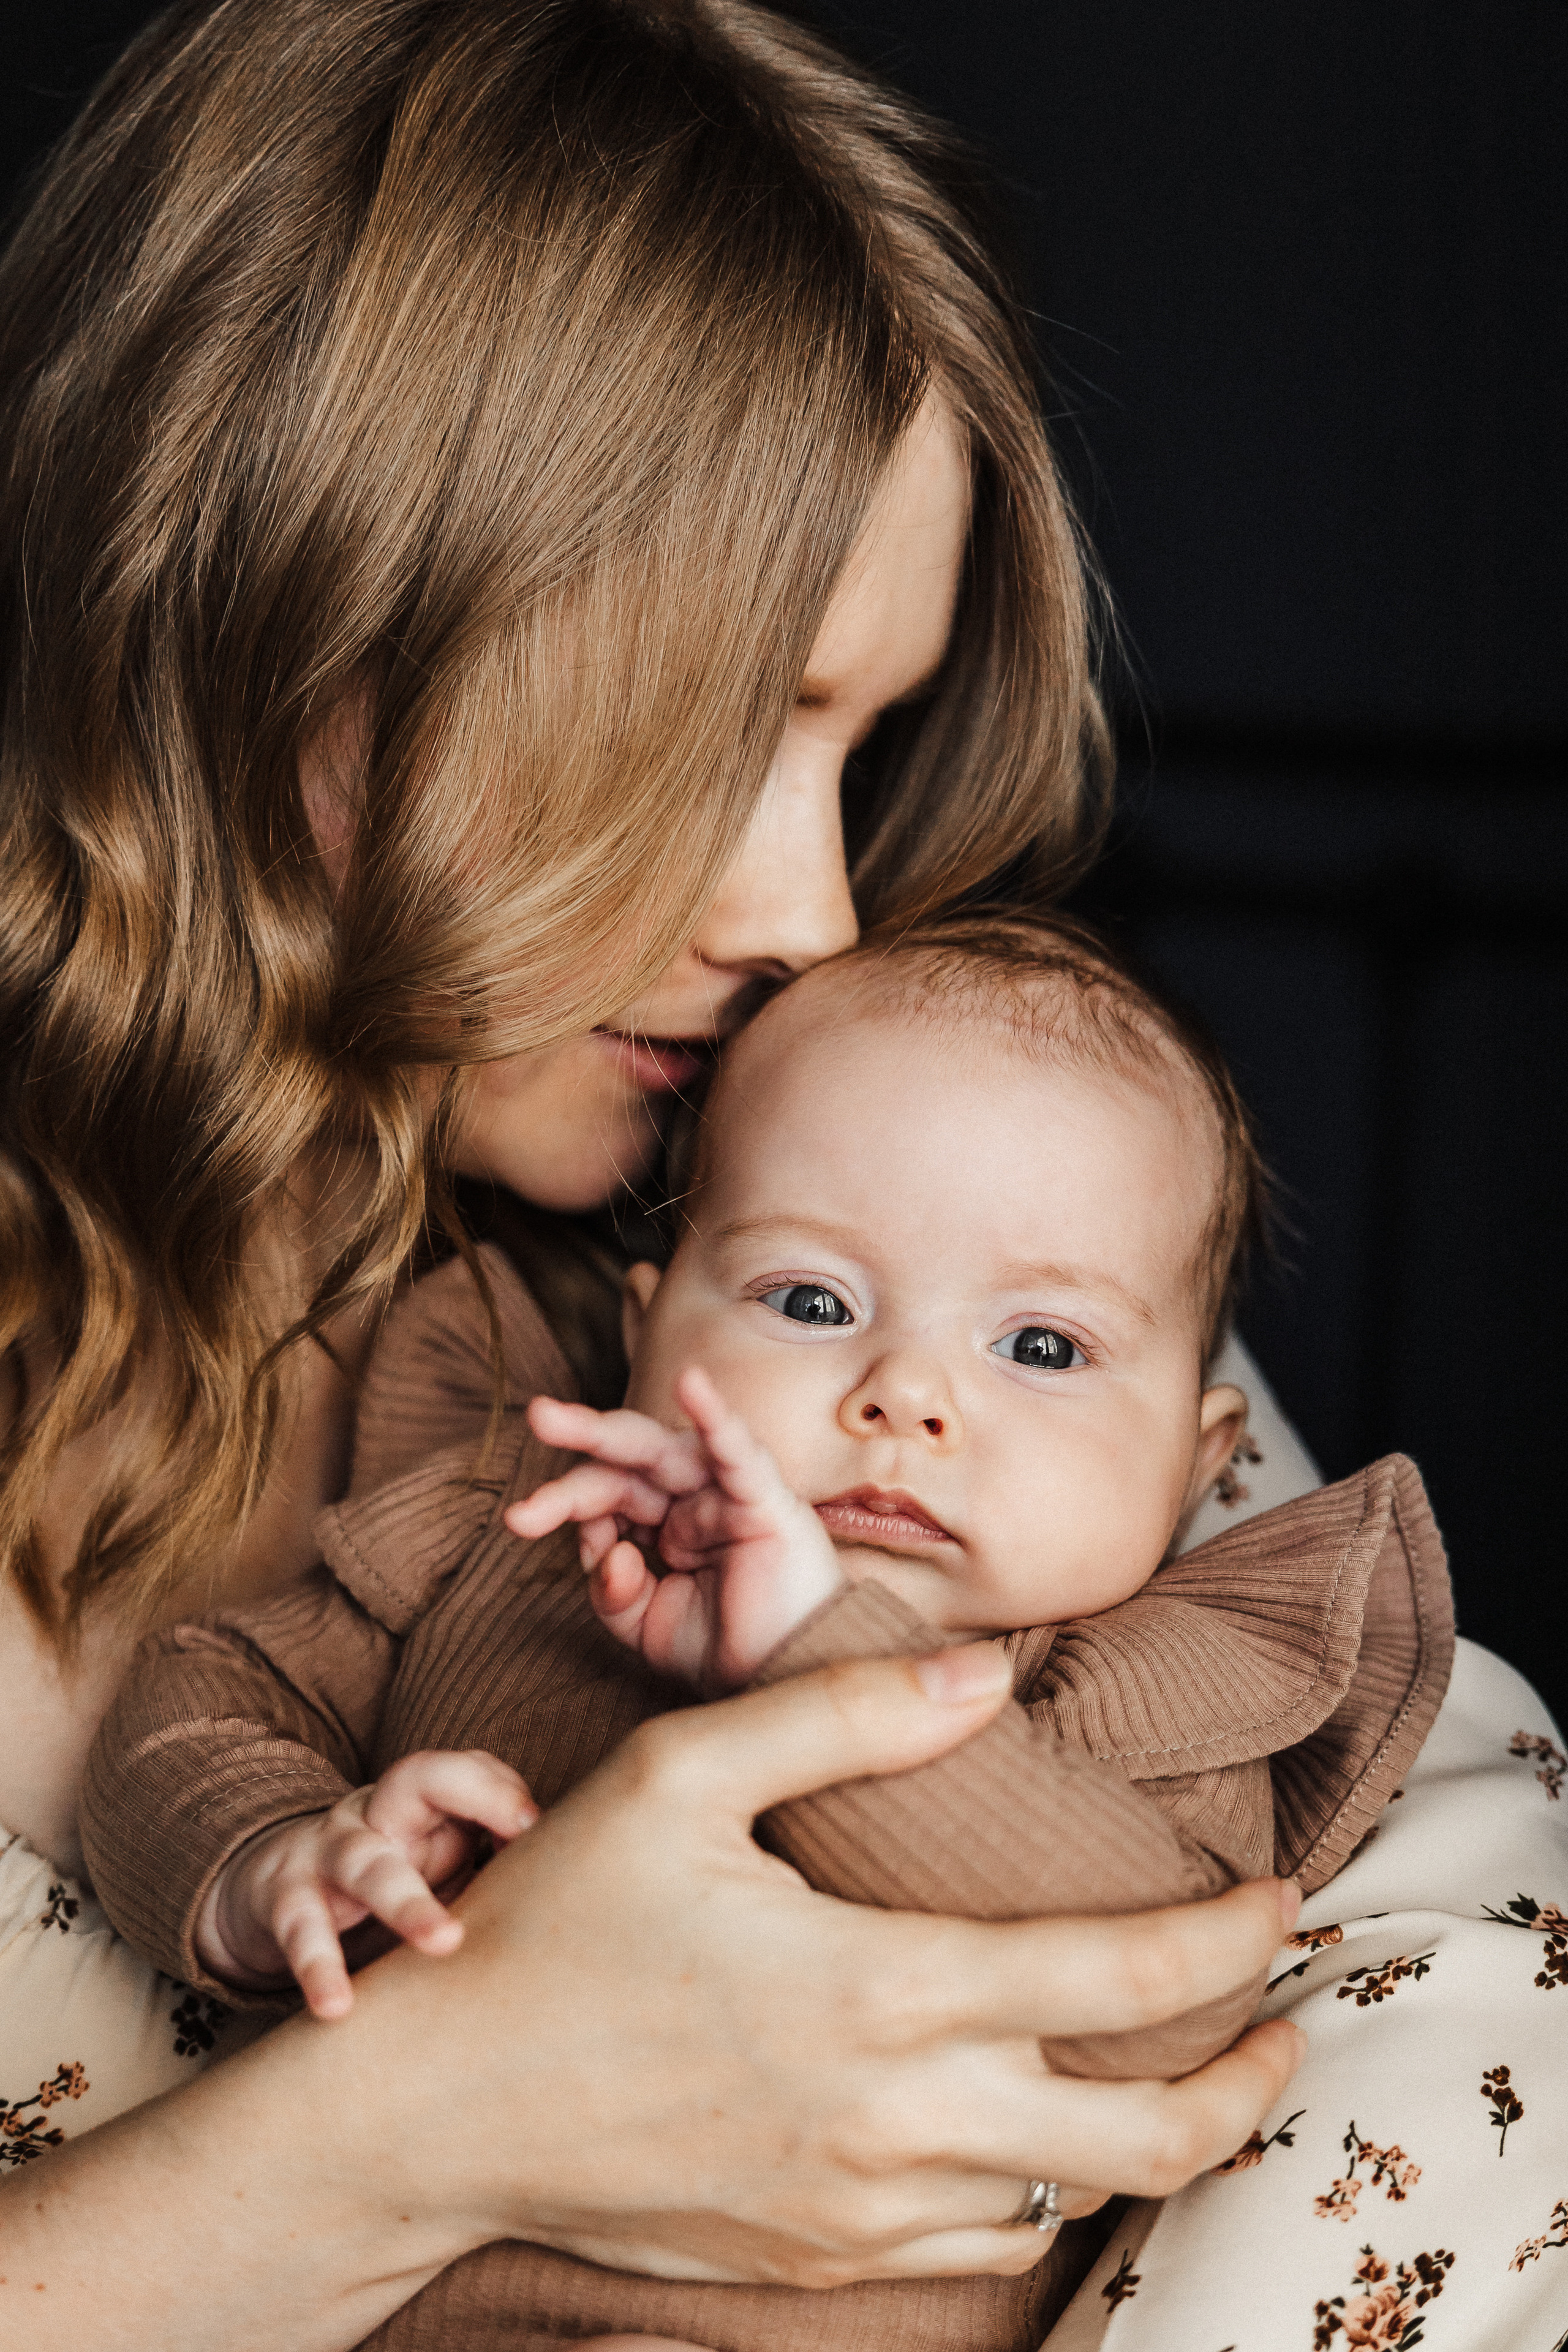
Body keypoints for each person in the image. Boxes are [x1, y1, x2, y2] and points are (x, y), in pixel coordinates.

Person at [0, 3, 1308, 2343]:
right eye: (714, 734)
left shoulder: (837, 1287)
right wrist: (434, 2120)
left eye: (861, 739)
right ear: (278, 616)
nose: (810, 914)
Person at [81, 911, 1455, 2352]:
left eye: (1038, 1346)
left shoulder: (1139, 1683)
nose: (904, 1397)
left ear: (1194, 1459)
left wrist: (823, 1650)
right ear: (646, 1334)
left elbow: (1148, 2003)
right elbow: (207, 1688)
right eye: (810, 1301)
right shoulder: (518, 1533)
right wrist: (269, 1856)